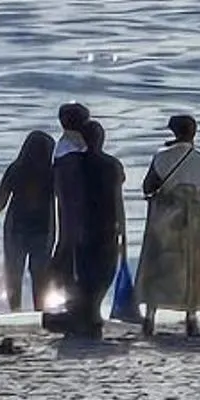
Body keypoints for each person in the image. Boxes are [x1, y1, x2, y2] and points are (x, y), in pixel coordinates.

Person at [136, 113, 200, 338]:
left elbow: (147, 187)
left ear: (172, 131)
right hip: (193, 219)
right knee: (194, 266)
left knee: (158, 264)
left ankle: (150, 317)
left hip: (164, 217)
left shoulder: (161, 157)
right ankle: (191, 318)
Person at [0, 128, 58, 313]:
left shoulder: (16, 169)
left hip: (16, 229)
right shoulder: (51, 174)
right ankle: (39, 312)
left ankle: (15, 312)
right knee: (40, 275)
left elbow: (1, 200)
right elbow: (65, 202)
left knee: (14, 273)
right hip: (42, 230)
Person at [49, 104, 95, 331]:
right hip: (73, 213)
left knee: (70, 257)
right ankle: (74, 310)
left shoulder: (66, 147)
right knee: (72, 258)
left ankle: (74, 308)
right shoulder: (70, 150)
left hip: (68, 212)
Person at [80, 119, 127, 318]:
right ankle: (94, 308)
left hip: (83, 221)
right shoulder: (112, 164)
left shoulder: (75, 162)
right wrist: (122, 226)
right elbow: (117, 197)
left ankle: (89, 308)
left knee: (85, 267)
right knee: (106, 268)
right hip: (107, 221)